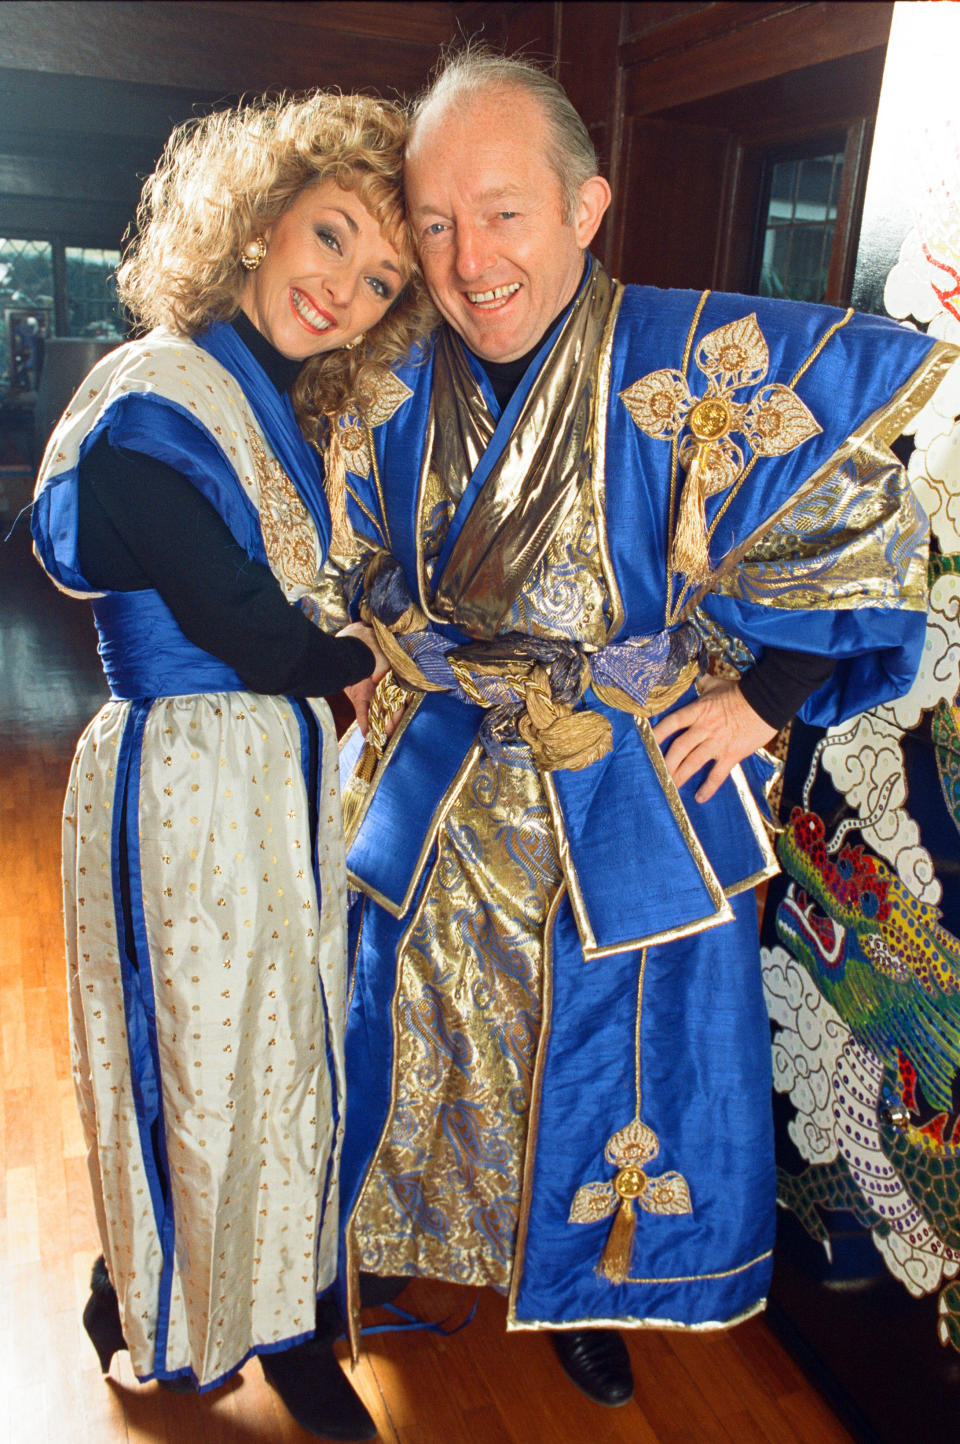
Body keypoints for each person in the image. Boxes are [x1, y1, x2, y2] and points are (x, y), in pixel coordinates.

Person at [310, 48, 960, 1411]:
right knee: (440, 1044)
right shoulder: (383, 383)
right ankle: (440, 1256)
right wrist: (352, 658)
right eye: (433, 221)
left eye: (503, 212)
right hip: (443, 781)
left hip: (623, 787)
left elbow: (863, 518)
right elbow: (333, 555)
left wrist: (763, 696)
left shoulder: (693, 354)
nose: (468, 257)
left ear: (585, 210)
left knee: (605, 1061)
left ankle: (587, 1294)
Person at [31, 91, 433, 1440]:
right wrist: (345, 662)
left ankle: (243, 1301)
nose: (347, 289)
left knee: (275, 1052)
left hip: (264, 777)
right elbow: (232, 614)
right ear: (259, 220)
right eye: (332, 238)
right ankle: (194, 1305)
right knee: (202, 1054)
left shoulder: (262, 403)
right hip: (188, 777)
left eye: (381, 280)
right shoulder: (164, 385)